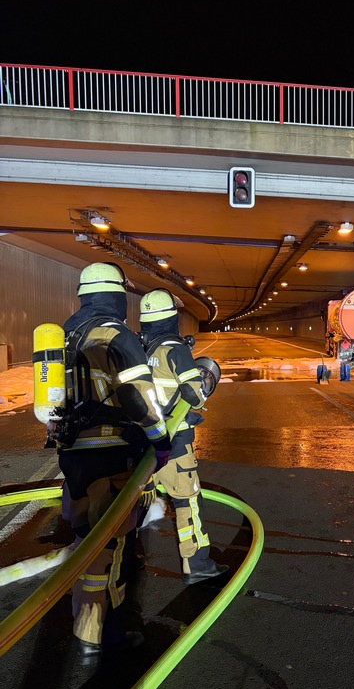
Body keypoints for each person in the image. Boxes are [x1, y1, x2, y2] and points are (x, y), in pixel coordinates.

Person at [56, 262, 172, 666]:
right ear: (117, 297)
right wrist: (160, 442)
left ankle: (87, 630)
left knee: (87, 541)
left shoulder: (66, 335)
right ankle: (109, 637)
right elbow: (140, 398)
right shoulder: (115, 335)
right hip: (111, 454)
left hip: (72, 458)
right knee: (112, 546)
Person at [138, 288, 228, 583]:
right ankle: (197, 564)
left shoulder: (141, 348)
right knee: (187, 502)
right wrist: (203, 384)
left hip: (144, 443)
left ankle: (124, 561)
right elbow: (195, 393)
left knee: (137, 502)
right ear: (172, 319)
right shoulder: (174, 348)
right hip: (174, 445)